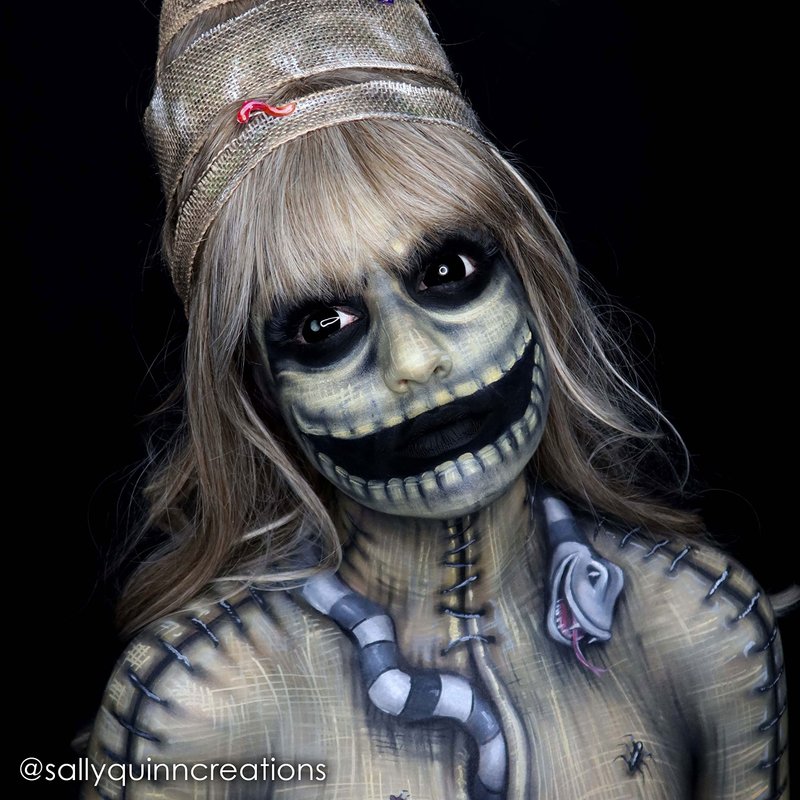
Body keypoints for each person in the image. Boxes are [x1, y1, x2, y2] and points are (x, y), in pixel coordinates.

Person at [82, 1, 791, 798]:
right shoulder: (198, 705)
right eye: (322, 325)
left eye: (447, 272)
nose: (414, 361)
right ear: (259, 391)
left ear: (534, 282)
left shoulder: (702, 626)